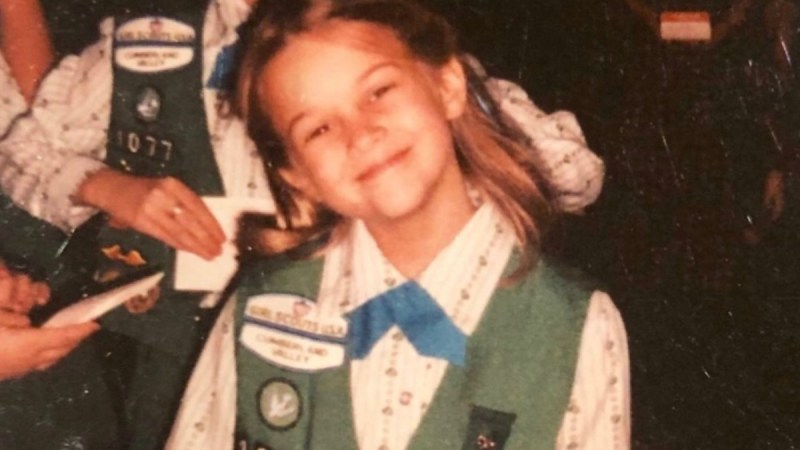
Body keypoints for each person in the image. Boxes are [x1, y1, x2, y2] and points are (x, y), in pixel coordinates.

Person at [0, 0, 604, 447]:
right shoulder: (142, 46)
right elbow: (23, 149)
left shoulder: (371, 39)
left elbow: (576, 175)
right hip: (178, 353)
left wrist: (441, 145)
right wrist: (110, 187)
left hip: (367, 333)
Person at [168, 1, 630, 448]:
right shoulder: (260, 309)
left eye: (378, 91)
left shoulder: (573, 325)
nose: (361, 133)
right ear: (298, 175)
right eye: (319, 129)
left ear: (448, 84)